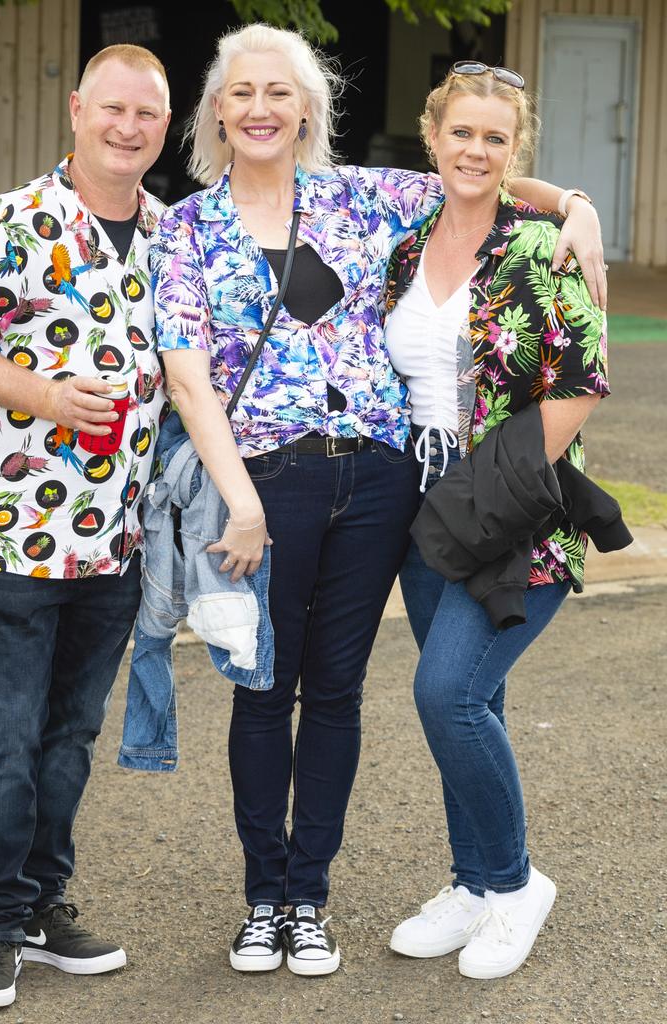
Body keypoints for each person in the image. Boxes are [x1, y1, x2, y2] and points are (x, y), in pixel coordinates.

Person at [150, 24, 605, 978]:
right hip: (266, 487)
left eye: (282, 91)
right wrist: (238, 501)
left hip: (387, 486)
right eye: (243, 93)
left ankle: (322, 898)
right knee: (267, 688)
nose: (263, 107)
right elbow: (188, 381)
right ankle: (268, 900)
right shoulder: (186, 227)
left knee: (365, 692)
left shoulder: (358, 197)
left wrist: (576, 204)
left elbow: (477, 177)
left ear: (309, 109)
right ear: (218, 110)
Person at [0, 44, 170, 1008]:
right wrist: (49, 399)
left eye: (147, 113)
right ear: (76, 110)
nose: (128, 127)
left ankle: (41, 907)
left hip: (116, 539)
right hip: (13, 532)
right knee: (8, 733)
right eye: (112, 109)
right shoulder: (13, 222)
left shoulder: (172, 234)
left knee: (71, 735)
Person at [384, 63, 610, 979]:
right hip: (417, 506)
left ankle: (516, 885)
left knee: (447, 695)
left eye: (495, 138)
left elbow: (584, 381)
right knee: (475, 705)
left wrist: (487, 496)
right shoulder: (405, 244)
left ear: (515, 152)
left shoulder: (542, 244)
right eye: (462, 133)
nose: (476, 150)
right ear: (433, 137)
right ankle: (473, 882)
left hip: (512, 508)